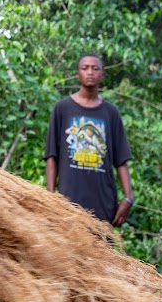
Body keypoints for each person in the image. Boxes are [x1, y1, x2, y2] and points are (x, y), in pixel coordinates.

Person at [45, 53, 134, 226]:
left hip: (103, 205)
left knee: (100, 252)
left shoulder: (111, 113)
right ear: (78, 73)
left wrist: (129, 198)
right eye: (85, 68)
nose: (90, 72)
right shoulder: (62, 108)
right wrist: (50, 198)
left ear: (102, 74)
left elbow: (121, 160)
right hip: (67, 205)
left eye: (95, 68)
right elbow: (51, 157)